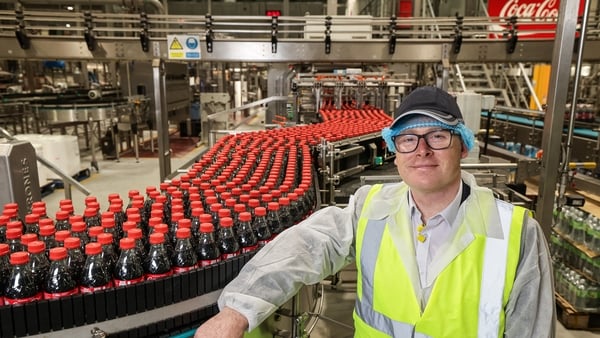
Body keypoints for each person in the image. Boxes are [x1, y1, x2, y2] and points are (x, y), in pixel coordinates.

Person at [195, 86, 555, 338]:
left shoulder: (515, 232)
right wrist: (238, 310)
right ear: (393, 150)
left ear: (463, 146)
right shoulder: (370, 207)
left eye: (438, 136)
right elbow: (305, 245)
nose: (422, 150)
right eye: (408, 139)